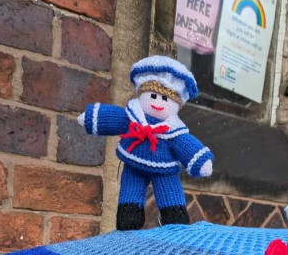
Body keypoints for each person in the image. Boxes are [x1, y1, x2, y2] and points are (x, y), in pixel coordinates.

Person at [78, 56, 213, 229]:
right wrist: (91, 118)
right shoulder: (132, 118)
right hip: (134, 165)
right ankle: (128, 222)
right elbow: (113, 118)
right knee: (130, 195)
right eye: (153, 95)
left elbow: (186, 145)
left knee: (171, 200)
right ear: (143, 94)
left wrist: (201, 161)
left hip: (164, 170)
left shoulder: (173, 130)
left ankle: (175, 222)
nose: (158, 102)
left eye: (164, 98)